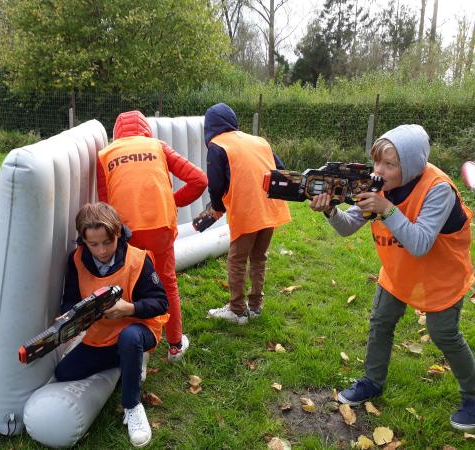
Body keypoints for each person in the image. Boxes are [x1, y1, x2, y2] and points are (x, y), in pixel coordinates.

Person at [309, 124, 475, 431]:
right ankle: (372, 382)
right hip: (399, 269)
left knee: (445, 334)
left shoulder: (437, 188)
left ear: (410, 164)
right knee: (381, 321)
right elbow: (347, 227)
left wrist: (386, 209)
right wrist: (329, 210)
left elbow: (421, 243)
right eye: (376, 162)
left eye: (389, 164)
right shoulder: (377, 185)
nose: (378, 171)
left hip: (442, 273)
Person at [53, 202, 169, 447]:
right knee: (64, 373)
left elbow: (161, 303)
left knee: (130, 339)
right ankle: (129, 360)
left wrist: (129, 308)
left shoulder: (138, 258)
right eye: (93, 244)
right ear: (83, 241)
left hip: (140, 328)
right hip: (101, 336)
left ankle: (133, 405)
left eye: (108, 242)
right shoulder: (76, 260)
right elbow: (70, 299)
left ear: (118, 234)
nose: (102, 250)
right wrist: (69, 317)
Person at [97, 110, 207, 362]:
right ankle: (175, 345)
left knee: (130, 286)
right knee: (167, 282)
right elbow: (199, 180)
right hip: (161, 227)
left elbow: (105, 203)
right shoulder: (158, 146)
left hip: (125, 232)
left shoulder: (105, 154)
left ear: (116, 134)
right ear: (146, 130)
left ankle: (135, 346)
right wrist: (172, 202)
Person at [203, 103, 291, 325]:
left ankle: (237, 310)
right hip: (270, 207)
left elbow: (214, 184)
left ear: (210, 126)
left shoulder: (217, 145)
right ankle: (255, 306)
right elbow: (280, 168)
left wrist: (217, 207)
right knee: (259, 257)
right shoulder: (259, 141)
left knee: (237, 259)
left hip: (247, 210)